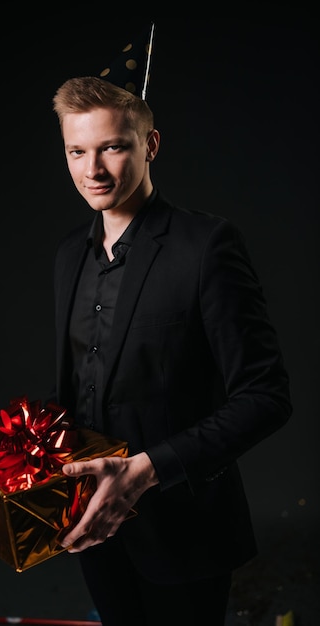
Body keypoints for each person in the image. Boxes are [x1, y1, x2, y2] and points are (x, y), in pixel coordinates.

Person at [48, 23, 292, 626]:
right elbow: (77, 389)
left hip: (187, 533)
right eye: (77, 151)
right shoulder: (67, 257)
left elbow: (266, 396)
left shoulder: (207, 246)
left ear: (150, 145)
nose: (94, 169)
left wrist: (143, 473)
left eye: (113, 147)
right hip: (93, 529)